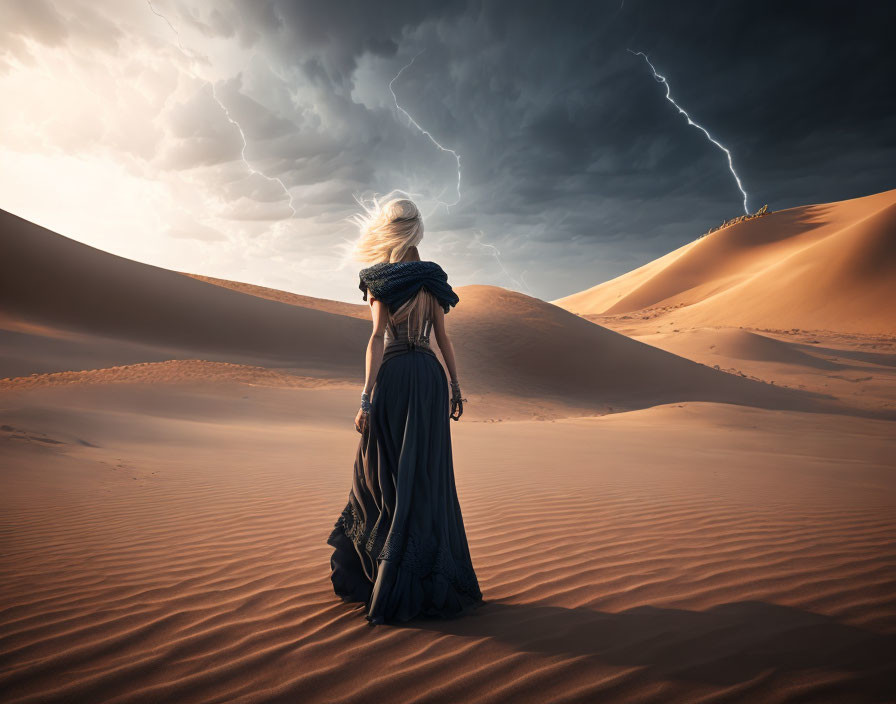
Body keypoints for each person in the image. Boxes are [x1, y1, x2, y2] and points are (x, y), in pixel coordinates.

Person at [326, 194, 484, 625]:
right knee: (426, 475)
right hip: (429, 380)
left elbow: (377, 338)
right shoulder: (432, 279)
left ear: (389, 231)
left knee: (380, 470)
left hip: (395, 379)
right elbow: (443, 339)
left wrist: (365, 396)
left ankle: (381, 571)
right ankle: (429, 575)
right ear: (418, 231)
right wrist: (454, 386)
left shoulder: (378, 279)